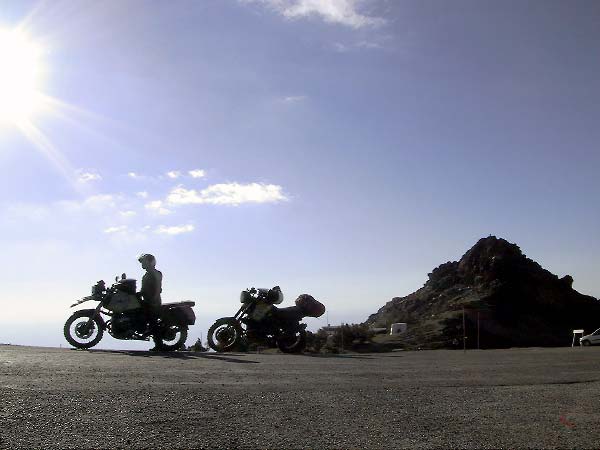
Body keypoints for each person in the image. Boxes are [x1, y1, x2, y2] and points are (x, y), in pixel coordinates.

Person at [137, 253, 163, 350]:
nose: (142, 264)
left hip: (152, 302)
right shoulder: (149, 273)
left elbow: (157, 288)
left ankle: (159, 344)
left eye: (144, 261)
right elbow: (144, 289)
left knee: (152, 321)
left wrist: (153, 300)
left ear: (150, 262)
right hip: (149, 300)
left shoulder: (154, 273)